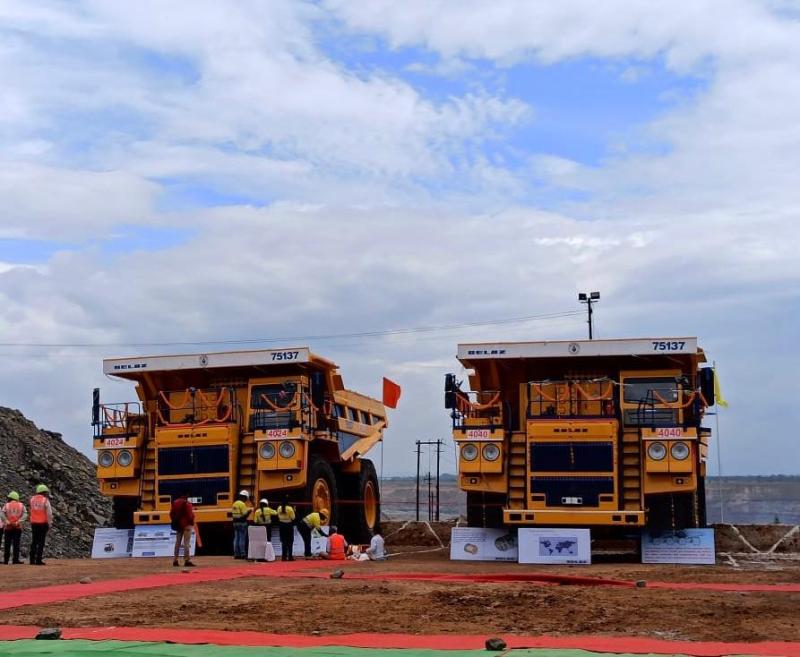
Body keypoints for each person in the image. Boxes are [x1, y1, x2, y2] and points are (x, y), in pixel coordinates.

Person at [169, 492, 196, 567]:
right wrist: (191, 521)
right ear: (186, 496)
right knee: (186, 543)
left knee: (177, 543)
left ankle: (175, 560)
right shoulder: (187, 504)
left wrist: (175, 520)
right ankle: (187, 560)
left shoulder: (175, 502)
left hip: (178, 525)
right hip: (187, 525)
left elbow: (171, 514)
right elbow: (190, 515)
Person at [1, 492, 26, 565]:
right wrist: (19, 521)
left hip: (8, 527)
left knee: (7, 544)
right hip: (17, 527)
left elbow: (2, 514)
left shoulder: (6, 505)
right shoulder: (21, 505)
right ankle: (15, 560)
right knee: (16, 544)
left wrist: (6, 521)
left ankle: (6, 560)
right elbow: (25, 514)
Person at [231, 490, 252, 559]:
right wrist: (249, 512)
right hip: (242, 523)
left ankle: (236, 554)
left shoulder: (234, 504)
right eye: (246, 498)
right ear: (244, 497)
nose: (246, 500)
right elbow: (244, 515)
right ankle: (242, 554)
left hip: (235, 523)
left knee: (236, 538)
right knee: (242, 539)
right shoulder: (242, 504)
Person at [276, 496, 296, 561]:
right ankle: (290, 556)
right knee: (290, 541)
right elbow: (293, 518)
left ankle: (283, 557)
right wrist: (294, 511)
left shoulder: (279, 508)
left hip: (282, 525)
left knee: (283, 541)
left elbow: (277, 516)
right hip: (289, 525)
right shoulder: (290, 508)